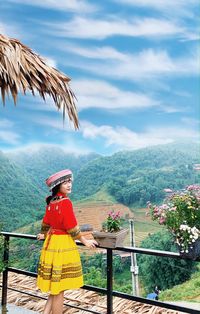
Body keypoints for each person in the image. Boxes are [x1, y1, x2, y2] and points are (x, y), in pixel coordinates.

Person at [36, 169, 98, 314]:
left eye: (70, 181)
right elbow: (71, 226)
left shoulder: (51, 201)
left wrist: (43, 234)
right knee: (60, 288)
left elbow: (46, 223)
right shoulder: (65, 202)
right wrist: (85, 241)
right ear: (58, 186)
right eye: (65, 182)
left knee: (55, 287)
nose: (69, 185)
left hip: (51, 244)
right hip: (62, 245)